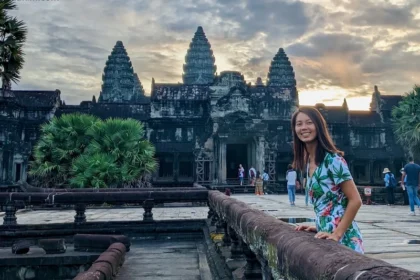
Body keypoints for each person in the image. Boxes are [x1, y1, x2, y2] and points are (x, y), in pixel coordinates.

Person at [293, 107, 364, 254]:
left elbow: (355, 200)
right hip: (326, 234)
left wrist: (337, 234)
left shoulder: (333, 160)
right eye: (299, 124)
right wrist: (319, 226)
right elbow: (327, 205)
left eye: (309, 123)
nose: (304, 128)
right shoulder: (308, 163)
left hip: (344, 238)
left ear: (318, 127)